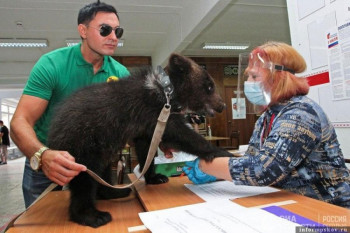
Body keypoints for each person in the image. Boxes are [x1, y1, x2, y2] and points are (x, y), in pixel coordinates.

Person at [183, 41, 350, 208]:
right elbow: (252, 159)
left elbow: (263, 170)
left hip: (330, 209)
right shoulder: (268, 116)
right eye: (248, 76)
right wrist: (219, 173)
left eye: (254, 76)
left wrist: (206, 164)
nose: (248, 82)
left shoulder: (301, 113)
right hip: (292, 203)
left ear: (278, 78)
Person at [10, 0, 130, 208]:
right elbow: (20, 121)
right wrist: (42, 155)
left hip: (93, 164)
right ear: (83, 30)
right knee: (45, 222)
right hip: (46, 161)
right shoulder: (51, 65)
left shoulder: (120, 75)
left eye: (117, 31)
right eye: (105, 30)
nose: (113, 37)